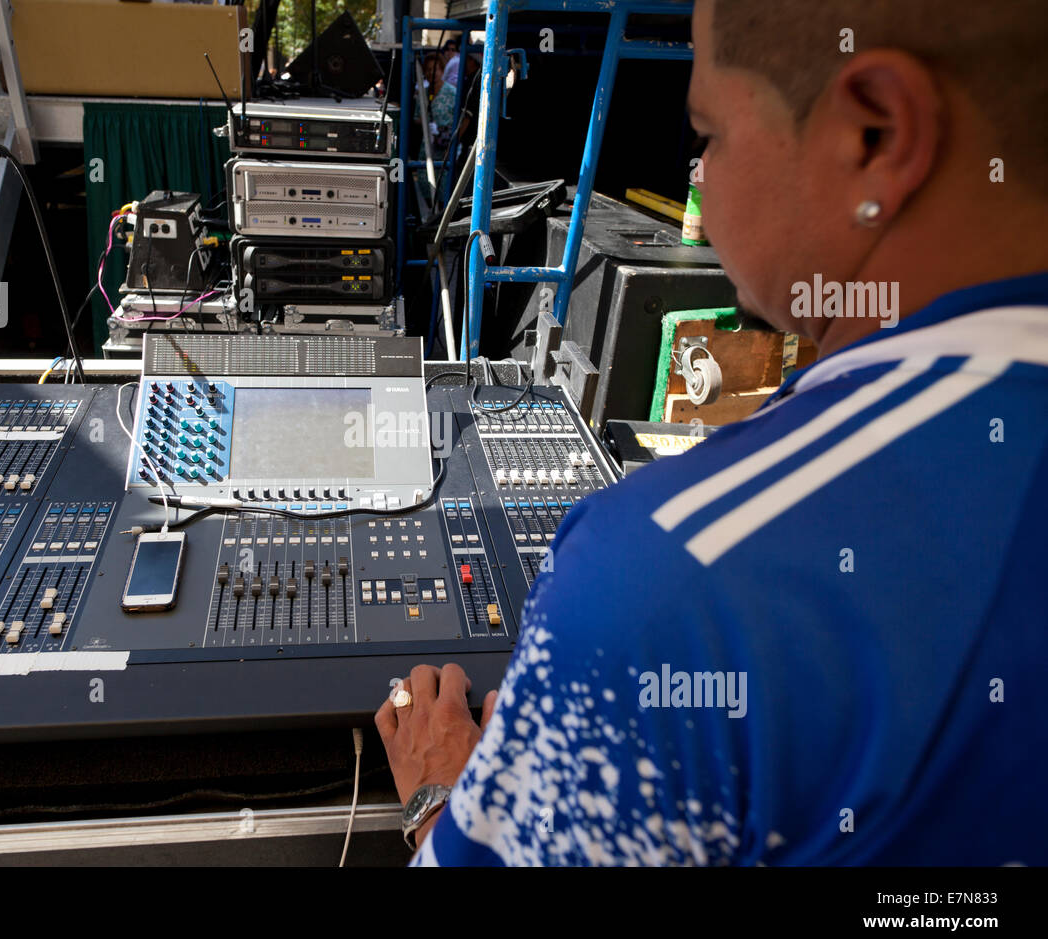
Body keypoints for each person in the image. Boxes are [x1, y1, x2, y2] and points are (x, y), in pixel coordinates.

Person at [376, 0, 1048, 865]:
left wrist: (446, 798)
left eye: (710, 135)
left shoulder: (660, 588)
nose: (698, 178)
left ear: (875, 136)